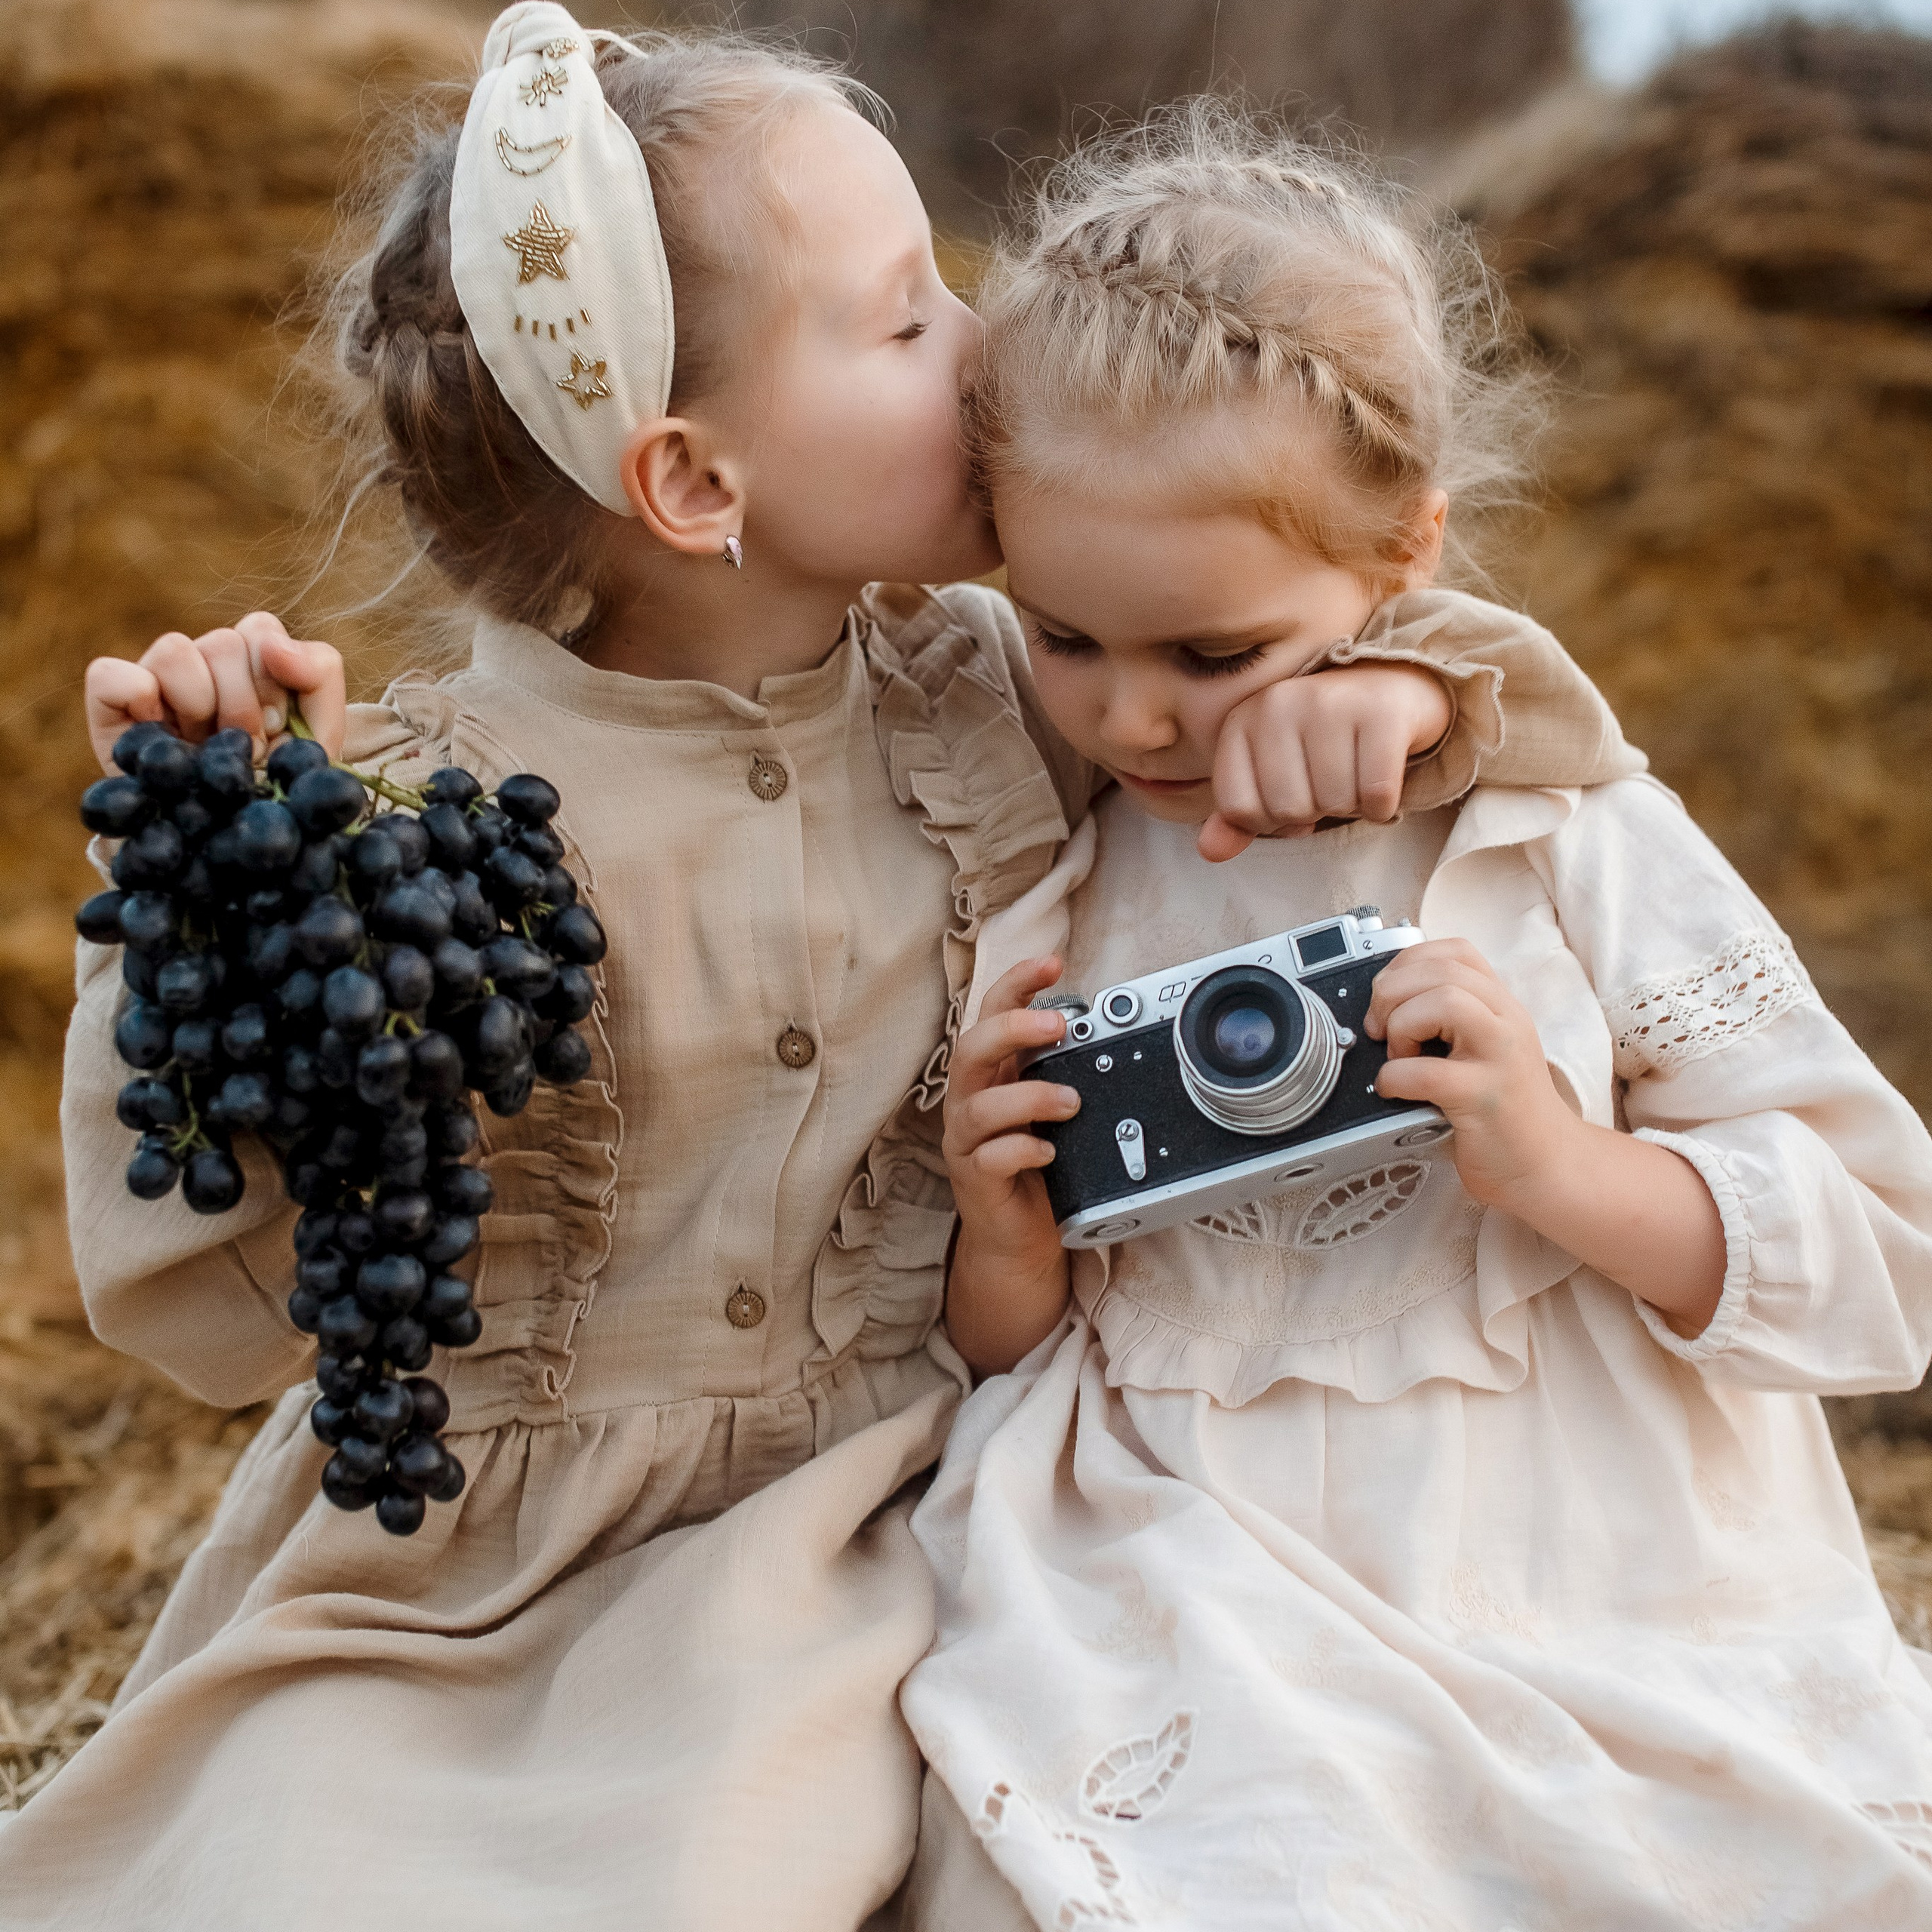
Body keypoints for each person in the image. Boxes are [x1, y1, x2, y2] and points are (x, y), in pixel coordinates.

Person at [5, 12, 1637, 1927]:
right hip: (456, 1574)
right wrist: (221, 867)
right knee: (305, 1865)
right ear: (697, 485)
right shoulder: (415, 826)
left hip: (903, 1519)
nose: (983, 336)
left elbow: (1427, 661)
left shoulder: (1000, 691)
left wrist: (1389, 680)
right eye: (904, 317)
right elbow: (206, 1302)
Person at [901, 107, 1932, 1931]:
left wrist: (1561, 1162)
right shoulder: (1042, 874)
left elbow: (1884, 1268)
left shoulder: (1549, 830)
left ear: (1403, 550)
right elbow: (1011, 1357)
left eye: (1212, 654)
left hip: (1592, 1570)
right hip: (1197, 1574)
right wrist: (1002, 1234)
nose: (1130, 718)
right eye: (1060, 635)